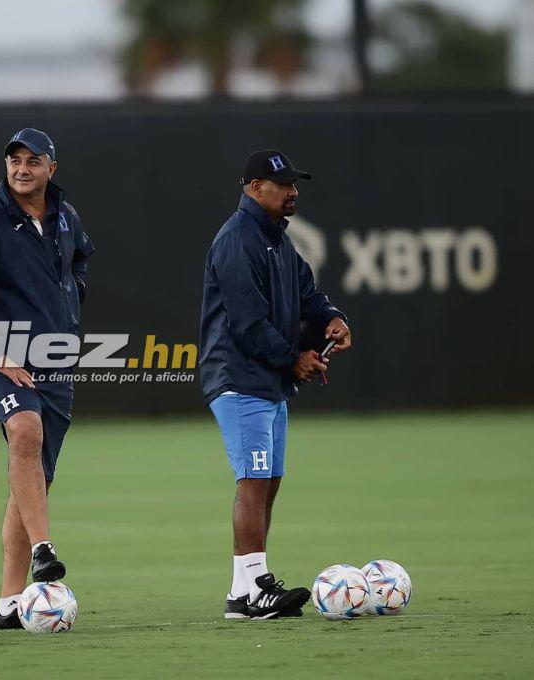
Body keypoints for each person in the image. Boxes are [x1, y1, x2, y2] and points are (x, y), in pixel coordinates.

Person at [0, 128, 95, 630]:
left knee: (31, 483)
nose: (22, 168)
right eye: (14, 160)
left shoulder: (65, 218)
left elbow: (81, 262)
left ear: (53, 167)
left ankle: (9, 604)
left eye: (33, 160)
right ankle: (44, 551)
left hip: (53, 362)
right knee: (24, 430)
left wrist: (69, 309)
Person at [199, 149, 352, 620]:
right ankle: (258, 586)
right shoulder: (238, 239)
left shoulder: (277, 241)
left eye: (293, 183)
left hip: (267, 380)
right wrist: (294, 359)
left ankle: (242, 591)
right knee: (253, 479)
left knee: (269, 481)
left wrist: (331, 318)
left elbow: (309, 295)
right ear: (253, 187)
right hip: (239, 376)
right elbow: (247, 323)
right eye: (282, 183)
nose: (293, 191)